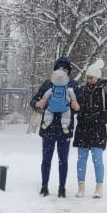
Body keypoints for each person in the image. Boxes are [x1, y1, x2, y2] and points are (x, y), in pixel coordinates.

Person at [30, 56, 80, 197]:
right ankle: (45, 186)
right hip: (50, 129)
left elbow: (81, 106)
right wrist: (37, 104)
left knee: (62, 160)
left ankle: (61, 188)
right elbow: (34, 100)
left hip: (62, 129)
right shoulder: (48, 85)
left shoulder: (73, 86)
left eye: (64, 69)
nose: (62, 72)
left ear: (69, 71)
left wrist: (77, 107)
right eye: (59, 69)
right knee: (47, 159)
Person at [71, 59, 107, 198]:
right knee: (81, 160)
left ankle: (99, 187)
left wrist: (98, 120)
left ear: (97, 77)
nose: (89, 79)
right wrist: (77, 111)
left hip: (98, 130)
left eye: (91, 77)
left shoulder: (106, 90)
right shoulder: (82, 90)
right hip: (83, 129)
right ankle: (81, 187)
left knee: (97, 159)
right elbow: (76, 108)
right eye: (87, 77)